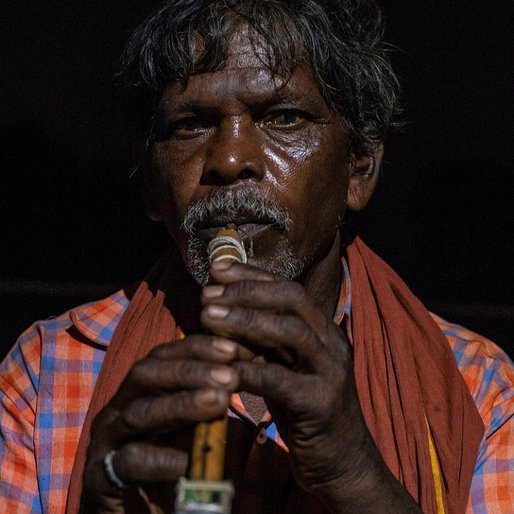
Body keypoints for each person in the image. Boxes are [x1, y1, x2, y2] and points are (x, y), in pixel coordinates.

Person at [1, 1, 512, 513]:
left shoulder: (480, 389)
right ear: (153, 188)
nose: (228, 160)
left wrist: (356, 475)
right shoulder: (46, 372)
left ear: (359, 168)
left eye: (283, 118)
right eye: (190, 125)